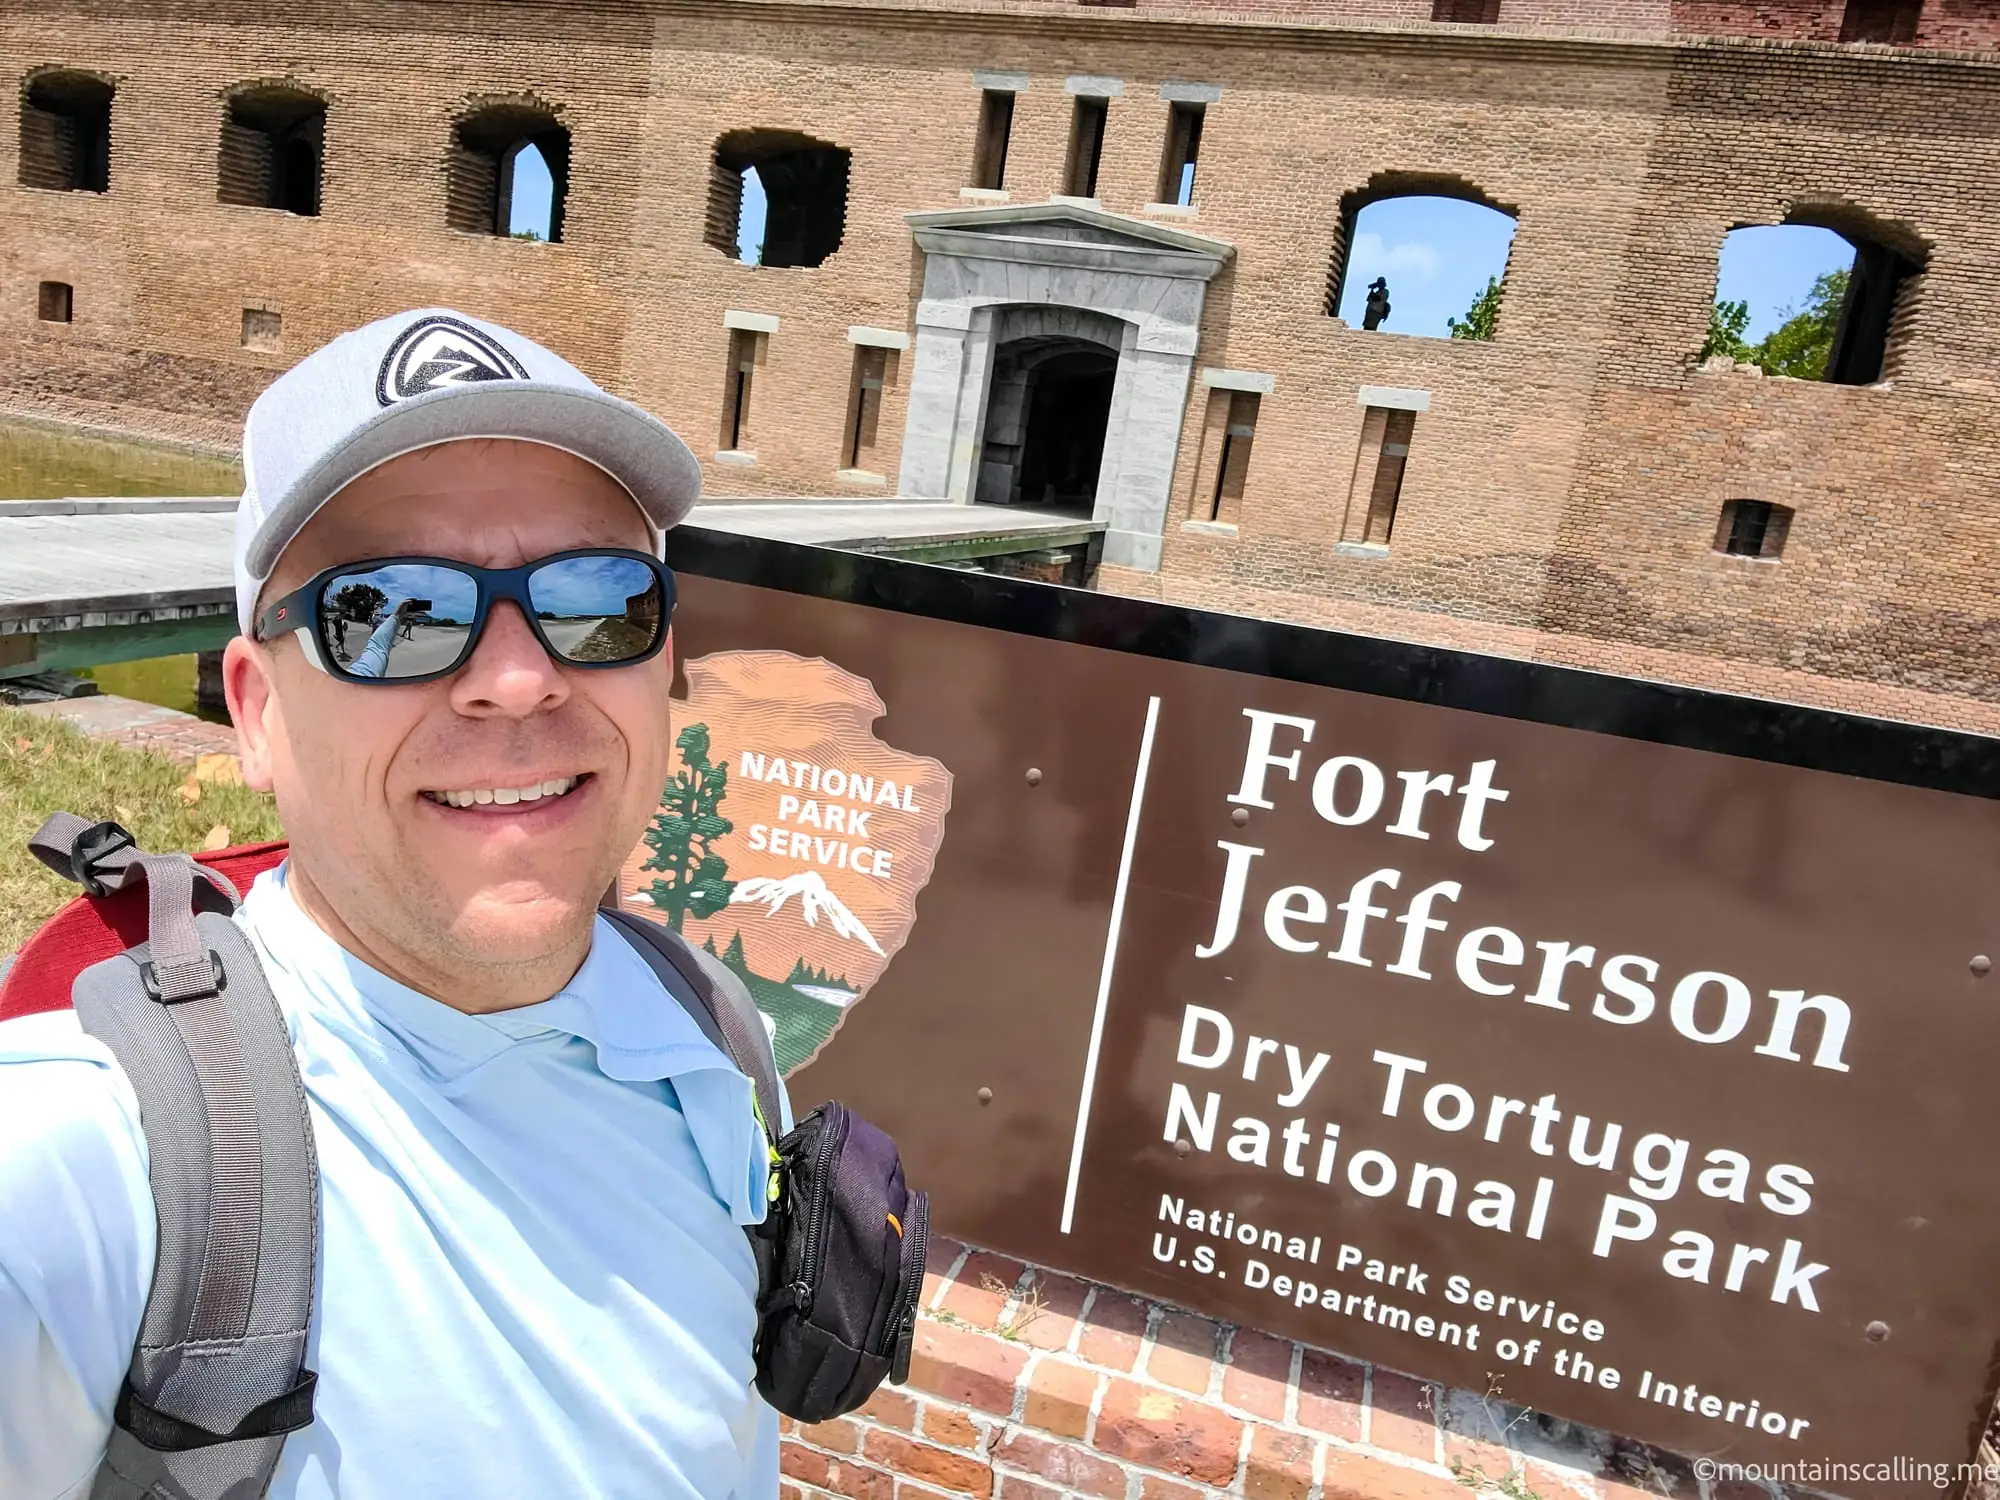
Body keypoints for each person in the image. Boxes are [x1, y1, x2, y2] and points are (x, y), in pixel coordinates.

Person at [0, 309, 785, 1498]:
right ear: (256, 711)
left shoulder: (720, 1042)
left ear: (664, 664)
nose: (520, 677)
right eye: (392, 612)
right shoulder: (72, 1175)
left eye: (597, 598)